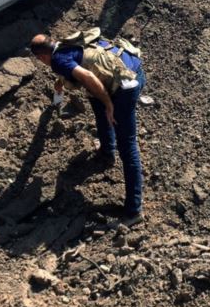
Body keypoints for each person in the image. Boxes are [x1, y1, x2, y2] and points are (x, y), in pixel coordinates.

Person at [30, 30, 147, 224]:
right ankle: (107, 151)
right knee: (96, 100)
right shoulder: (66, 44)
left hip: (127, 86)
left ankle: (134, 211)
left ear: (42, 56)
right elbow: (81, 62)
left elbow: (88, 77)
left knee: (127, 145)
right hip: (133, 68)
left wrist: (110, 104)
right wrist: (61, 81)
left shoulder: (58, 60)